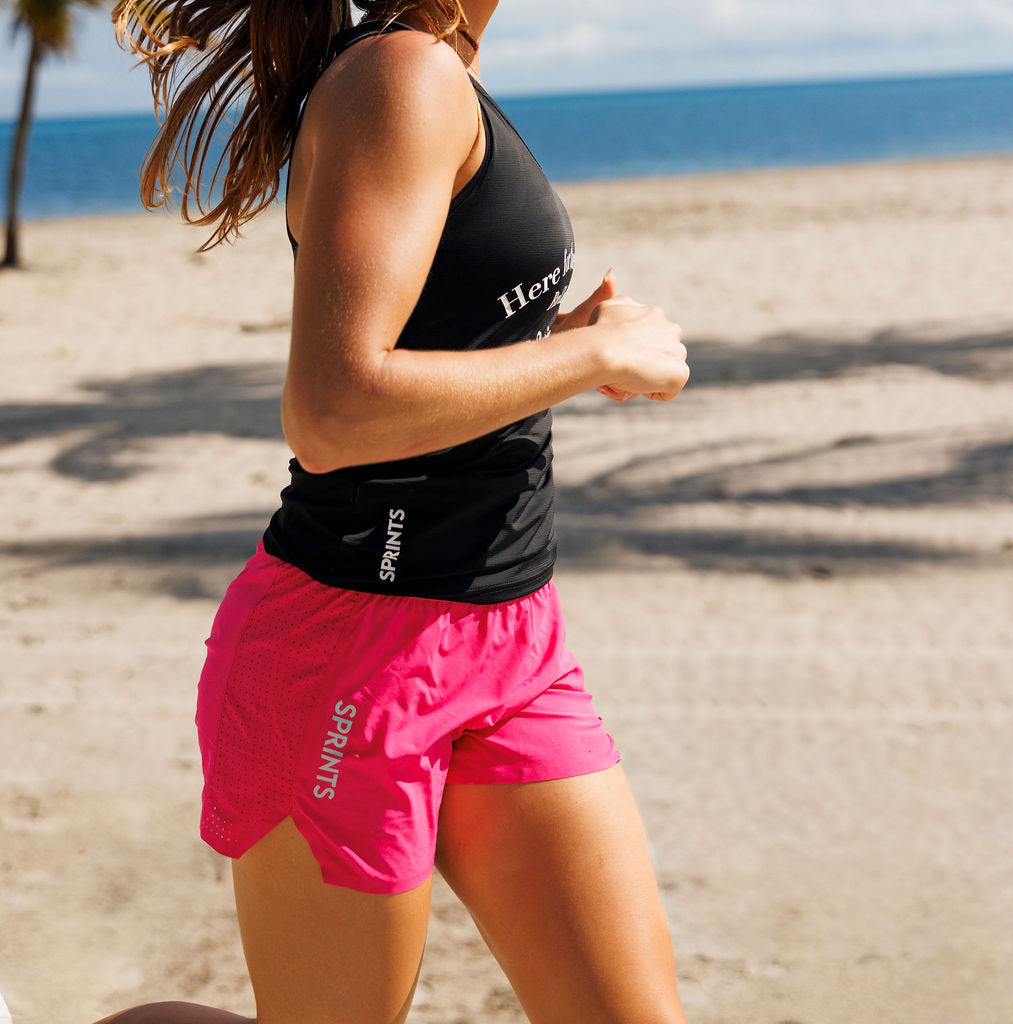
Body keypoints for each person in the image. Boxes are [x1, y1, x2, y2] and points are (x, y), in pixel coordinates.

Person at [96, 1, 690, 1022]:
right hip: (350, 654)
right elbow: (332, 408)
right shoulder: (400, 76)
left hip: (512, 640)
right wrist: (594, 354)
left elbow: (435, 331)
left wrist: (556, 339)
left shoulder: (440, 66)